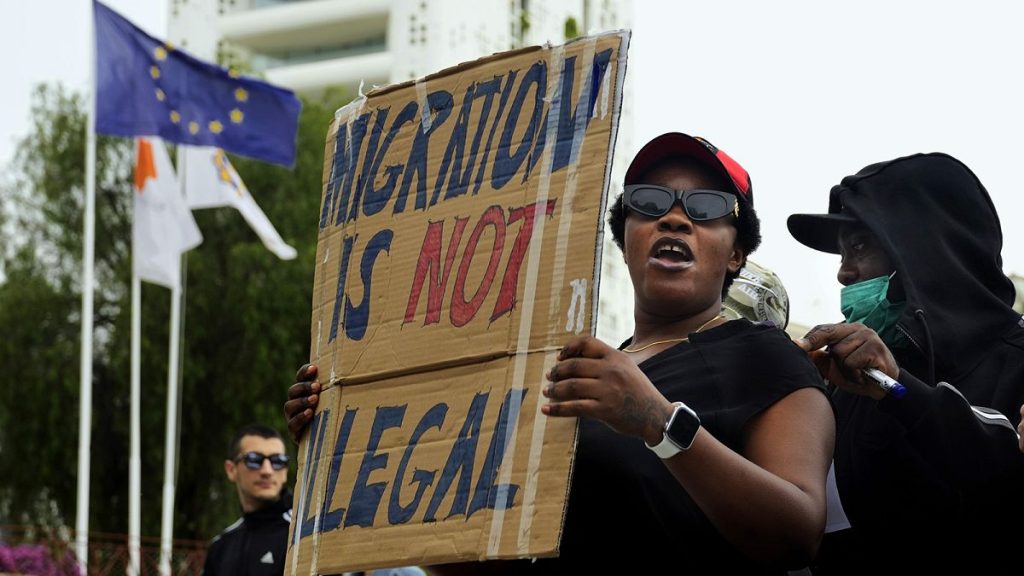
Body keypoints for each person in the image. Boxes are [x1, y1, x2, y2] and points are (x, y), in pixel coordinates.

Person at [287, 132, 835, 573]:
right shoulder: (568, 377)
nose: (674, 217)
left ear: (736, 252)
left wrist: (658, 423)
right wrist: (344, 443)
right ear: (625, 239)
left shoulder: (765, 356)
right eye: (648, 203)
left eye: (706, 207)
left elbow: (796, 535)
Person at [787, 152, 1024, 574]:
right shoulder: (849, 376)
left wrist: (896, 388)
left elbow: (1001, 477)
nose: (843, 273)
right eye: (841, 254)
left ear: (922, 250)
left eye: (859, 246)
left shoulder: (1014, 360)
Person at [203, 423, 293, 576]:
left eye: (277, 461)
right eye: (254, 460)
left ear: (285, 471)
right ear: (231, 470)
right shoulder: (221, 546)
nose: (267, 470)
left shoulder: (305, 534)